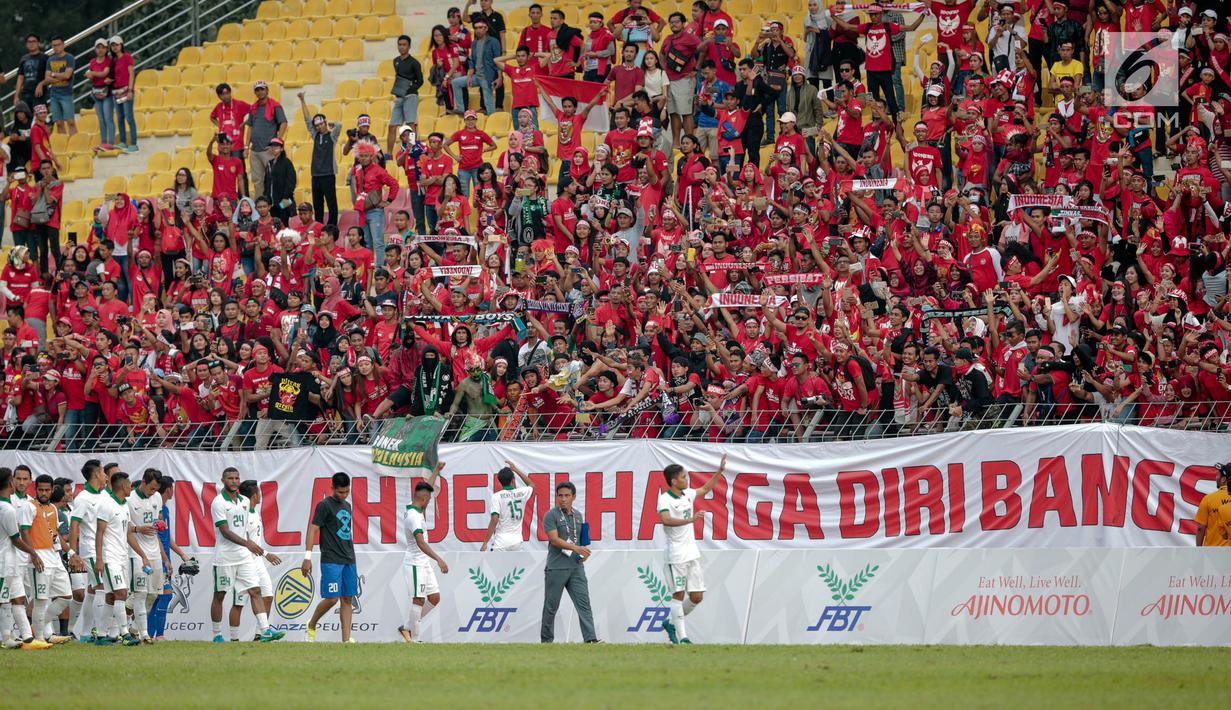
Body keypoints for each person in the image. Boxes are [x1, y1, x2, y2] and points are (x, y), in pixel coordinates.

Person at [657, 454, 726, 644]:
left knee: (696, 597)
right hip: (676, 554)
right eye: (683, 477)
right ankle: (683, 638)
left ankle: (671, 623)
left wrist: (719, 472)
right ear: (673, 481)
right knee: (678, 595)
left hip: (691, 553)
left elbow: (705, 488)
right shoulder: (664, 499)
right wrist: (690, 520)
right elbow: (666, 520)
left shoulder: (687, 494)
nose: (686, 479)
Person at [209, 467, 282, 643]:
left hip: (244, 556)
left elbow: (245, 530)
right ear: (223, 481)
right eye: (230, 478)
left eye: (236, 478)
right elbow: (225, 531)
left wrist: (249, 545)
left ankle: (264, 630)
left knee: (256, 591)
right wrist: (247, 543)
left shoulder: (244, 501)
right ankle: (217, 634)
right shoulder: (218, 502)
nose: (234, 481)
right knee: (220, 595)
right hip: (225, 556)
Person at [540, 481, 599, 643]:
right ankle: (546, 642)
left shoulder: (578, 516)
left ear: (574, 497)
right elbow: (554, 540)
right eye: (560, 496)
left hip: (576, 567)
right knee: (551, 607)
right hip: (556, 567)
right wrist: (576, 549)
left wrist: (583, 553)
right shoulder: (551, 515)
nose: (563, 499)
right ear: (556, 497)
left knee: (584, 604)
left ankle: (591, 639)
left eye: (567, 496)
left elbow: (582, 542)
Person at [303, 471, 358, 643]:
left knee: (348, 599)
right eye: (340, 492)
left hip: (349, 558)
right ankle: (311, 624)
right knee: (332, 599)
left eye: (346, 492)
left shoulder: (347, 506)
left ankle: (346, 640)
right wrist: (307, 556)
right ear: (332, 488)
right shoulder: (324, 505)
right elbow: (312, 530)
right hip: (331, 559)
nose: (343, 495)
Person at [0, 467, 51, 650]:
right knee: (4, 600)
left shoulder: (10, 505)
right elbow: (15, 539)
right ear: (10, 482)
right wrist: (34, 552)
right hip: (4, 561)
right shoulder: (7, 509)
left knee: (18, 598)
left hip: (11, 561)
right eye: (15, 480)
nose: (19, 483)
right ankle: (6, 638)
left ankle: (27, 639)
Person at [398, 460, 448, 643]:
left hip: (423, 563)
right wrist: (439, 559)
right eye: (429, 498)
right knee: (418, 599)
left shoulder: (414, 505)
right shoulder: (414, 518)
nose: (430, 500)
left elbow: (427, 488)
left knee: (434, 598)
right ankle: (416, 640)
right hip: (414, 563)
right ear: (424, 499)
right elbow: (420, 542)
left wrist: (436, 470)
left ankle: (406, 626)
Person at [92, 469, 139, 646]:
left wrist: (142, 554)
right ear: (122, 486)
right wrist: (99, 558)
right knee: (121, 593)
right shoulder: (107, 505)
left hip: (121, 556)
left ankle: (102, 635)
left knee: (111, 597)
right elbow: (99, 532)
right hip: (109, 557)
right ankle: (125, 634)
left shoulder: (124, 505)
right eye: (129, 485)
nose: (131, 488)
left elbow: (127, 533)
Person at [232, 479, 281, 641]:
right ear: (254, 495)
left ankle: (261, 635)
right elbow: (245, 540)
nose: (261, 495)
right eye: (259, 492)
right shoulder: (243, 514)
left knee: (268, 595)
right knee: (239, 603)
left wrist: (263, 554)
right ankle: (234, 638)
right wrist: (267, 553)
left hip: (257, 561)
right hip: (245, 561)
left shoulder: (255, 512)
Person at [27, 472, 72, 644]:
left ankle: (37, 628)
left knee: (66, 596)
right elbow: (24, 531)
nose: (44, 493)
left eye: (47, 490)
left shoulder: (53, 508)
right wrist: (33, 554)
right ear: (36, 489)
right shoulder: (29, 506)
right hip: (39, 556)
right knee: (41, 600)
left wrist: (68, 554)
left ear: (52, 490)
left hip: (54, 557)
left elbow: (54, 535)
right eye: (40, 490)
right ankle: (39, 637)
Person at [124, 468, 166, 644]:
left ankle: (132, 628)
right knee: (140, 593)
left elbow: (159, 517)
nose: (153, 492)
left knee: (153, 594)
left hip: (154, 550)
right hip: (136, 552)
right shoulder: (128, 500)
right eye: (151, 488)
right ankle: (144, 634)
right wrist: (137, 529)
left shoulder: (156, 498)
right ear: (143, 483)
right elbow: (123, 528)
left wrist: (160, 523)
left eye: (156, 489)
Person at [67, 459, 106, 642]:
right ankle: (100, 633)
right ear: (97, 474)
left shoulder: (104, 495)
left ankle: (83, 633)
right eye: (103, 472)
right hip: (91, 549)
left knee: (92, 589)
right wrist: (73, 553)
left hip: (104, 549)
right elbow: (74, 524)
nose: (106, 475)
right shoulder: (82, 498)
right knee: (101, 588)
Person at [298, 92, 342, 226]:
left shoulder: (332, 137)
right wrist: (302, 100)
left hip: (328, 174)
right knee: (317, 203)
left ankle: (332, 225)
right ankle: (319, 225)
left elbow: (339, 127)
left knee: (331, 201)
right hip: (316, 174)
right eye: (317, 125)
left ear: (325, 123)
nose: (319, 127)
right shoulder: (315, 135)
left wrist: (333, 124)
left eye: (321, 124)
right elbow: (307, 119)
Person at [246, 80, 288, 204]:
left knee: (274, 178)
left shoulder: (275, 106)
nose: (260, 92)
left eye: (262, 89)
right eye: (257, 90)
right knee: (257, 181)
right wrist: (246, 146)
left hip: (268, 150)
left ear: (267, 90)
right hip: (255, 151)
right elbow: (250, 127)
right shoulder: (253, 108)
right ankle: (260, 207)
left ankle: (277, 205)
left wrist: (277, 142)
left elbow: (283, 123)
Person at [482, 459, 534, 551]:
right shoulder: (521, 492)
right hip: (517, 541)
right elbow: (531, 485)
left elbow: (494, 519)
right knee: (516, 565)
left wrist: (485, 542)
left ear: (500, 481)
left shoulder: (497, 496)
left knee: (496, 565)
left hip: (501, 542)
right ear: (513, 480)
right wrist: (515, 470)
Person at [388, 34, 424, 153]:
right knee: (392, 125)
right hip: (400, 96)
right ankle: (389, 153)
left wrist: (409, 88)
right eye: (400, 45)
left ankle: (413, 147)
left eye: (404, 45)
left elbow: (420, 81)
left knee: (410, 123)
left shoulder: (414, 63)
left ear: (409, 47)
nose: (402, 47)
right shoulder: (396, 61)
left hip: (410, 96)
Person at [44, 37, 76, 135]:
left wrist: (53, 75)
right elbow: (47, 78)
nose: (56, 47)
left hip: (66, 93)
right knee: (58, 123)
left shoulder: (69, 57)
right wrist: (60, 77)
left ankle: (73, 143)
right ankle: (63, 145)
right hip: (54, 95)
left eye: (58, 44)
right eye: (54, 45)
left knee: (70, 122)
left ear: (63, 44)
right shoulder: (50, 59)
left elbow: (67, 75)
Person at [1195, 463, 1231, 547]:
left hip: (1212, 551)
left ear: (1223, 479)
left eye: (1217, 475)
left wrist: (1198, 550)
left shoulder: (1208, 499)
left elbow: (1200, 528)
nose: (1216, 478)